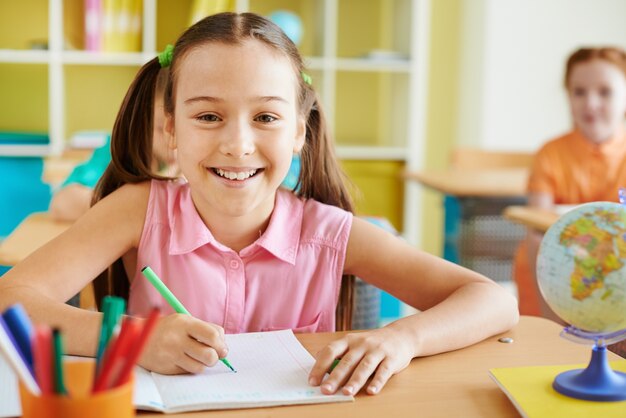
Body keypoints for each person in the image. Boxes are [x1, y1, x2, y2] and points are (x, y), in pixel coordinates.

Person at [0, 12, 518, 396]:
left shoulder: (331, 232)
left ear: (299, 132)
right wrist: (135, 340)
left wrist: (400, 339)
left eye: (266, 118)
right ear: (170, 129)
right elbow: (9, 299)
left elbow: (494, 300)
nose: (238, 144)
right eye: (207, 117)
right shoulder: (138, 210)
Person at [515, 46, 626, 321]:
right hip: (552, 273)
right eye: (579, 92)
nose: (590, 103)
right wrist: (550, 319)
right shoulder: (551, 154)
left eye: (605, 92)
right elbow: (537, 230)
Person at [48, 68, 178, 222]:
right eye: (161, 129)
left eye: (182, 130)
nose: (174, 142)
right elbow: (61, 205)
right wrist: (129, 202)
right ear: (139, 124)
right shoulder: (120, 149)